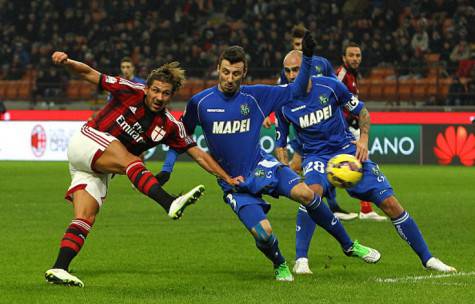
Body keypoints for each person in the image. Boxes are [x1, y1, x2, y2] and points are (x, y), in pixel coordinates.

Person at [171, 34, 381, 282]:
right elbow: (180, 138)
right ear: (218, 68)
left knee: (307, 194)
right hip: (234, 183)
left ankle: (349, 245)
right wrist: (167, 170)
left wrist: (309, 58)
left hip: (264, 166)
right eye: (225, 72)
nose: (229, 79)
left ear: (244, 73)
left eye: (236, 73)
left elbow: (297, 88)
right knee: (264, 234)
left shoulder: (257, 96)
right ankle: (279, 262)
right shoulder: (200, 102)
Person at [45, 51, 242, 287]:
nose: (159, 97)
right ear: (147, 88)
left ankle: (59, 268)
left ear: (171, 96)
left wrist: (227, 178)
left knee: (85, 217)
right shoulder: (129, 90)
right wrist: (67, 63)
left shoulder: (170, 125)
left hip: (98, 167)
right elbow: (89, 73)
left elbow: (198, 154)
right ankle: (169, 202)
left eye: (166, 93)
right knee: (133, 161)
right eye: (156, 90)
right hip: (87, 140)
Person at [275, 50, 456, 275]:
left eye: (296, 69)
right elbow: (280, 143)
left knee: (390, 203)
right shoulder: (283, 102)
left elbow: (362, 112)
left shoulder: (331, 86)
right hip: (316, 157)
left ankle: (428, 258)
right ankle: (301, 260)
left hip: (346, 151)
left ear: (307, 69)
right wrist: (284, 167)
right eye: (288, 70)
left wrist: (363, 139)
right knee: (311, 194)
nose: (292, 75)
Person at [336, 43, 387, 221]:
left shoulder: (352, 75)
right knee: (360, 163)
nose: (355, 58)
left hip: (351, 127)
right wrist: (346, 123)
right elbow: (333, 101)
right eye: (351, 55)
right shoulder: (341, 75)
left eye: (358, 55)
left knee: (361, 163)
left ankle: (365, 208)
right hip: (343, 130)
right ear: (343, 58)